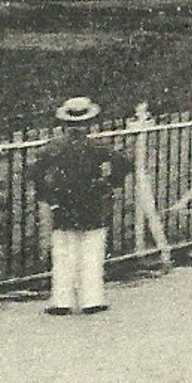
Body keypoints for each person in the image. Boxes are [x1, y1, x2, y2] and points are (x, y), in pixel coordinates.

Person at [30, 97, 134, 314]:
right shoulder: (96, 146)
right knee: (92, 250)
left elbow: (35, 172)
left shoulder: (54, 148)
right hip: (92, 203)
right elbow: (124, 164)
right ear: (89, 123)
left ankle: (61, 301)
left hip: (63, 203)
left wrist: (47, 195)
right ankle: (92, 299)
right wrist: (110, 183)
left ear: (64, 124)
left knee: (63, 251)